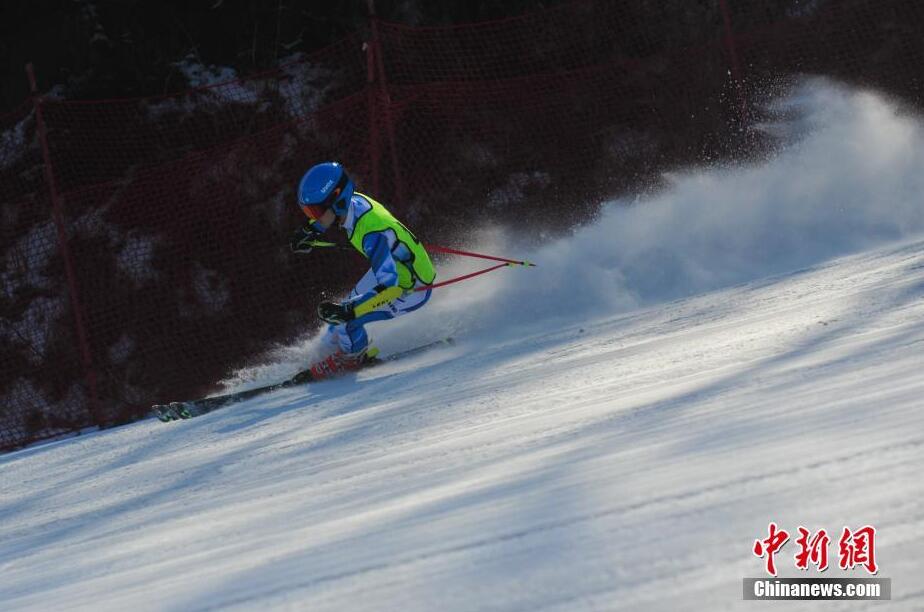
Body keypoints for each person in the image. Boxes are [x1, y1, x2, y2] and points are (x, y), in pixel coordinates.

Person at [291, 161, 436, 380]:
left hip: (410, 287)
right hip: (394, 267)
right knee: (335, 325)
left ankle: (352, 359)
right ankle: (338, 350)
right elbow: (334, 211)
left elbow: (391, 287)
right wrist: (312, 232)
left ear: (337, 198)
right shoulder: (353, 202)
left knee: (346, 320)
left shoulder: (371, 234)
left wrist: (350, 311)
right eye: (310, 213)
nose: (314, 217)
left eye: (316, 212)